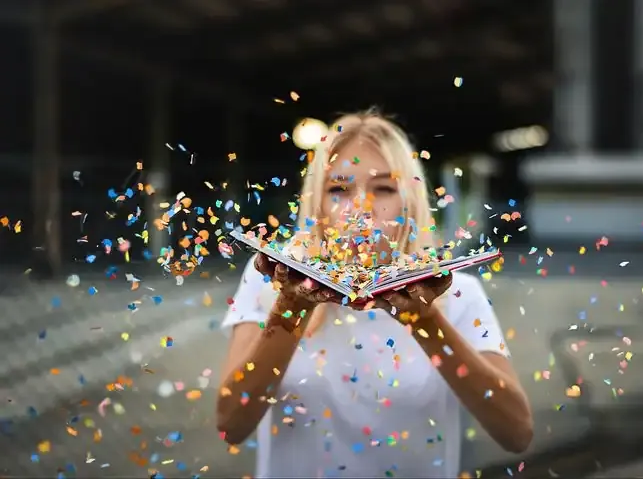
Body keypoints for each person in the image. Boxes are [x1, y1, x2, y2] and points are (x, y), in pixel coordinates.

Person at [216, 110, 533, 478]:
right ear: (316, 204)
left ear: (409, 201)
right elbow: (231, 425)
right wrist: (292, 307)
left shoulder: (457, 292)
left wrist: (425, 321)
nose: (361, 208)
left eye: (383, 188)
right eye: (338, 189)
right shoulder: (270, 280)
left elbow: (516, 433)